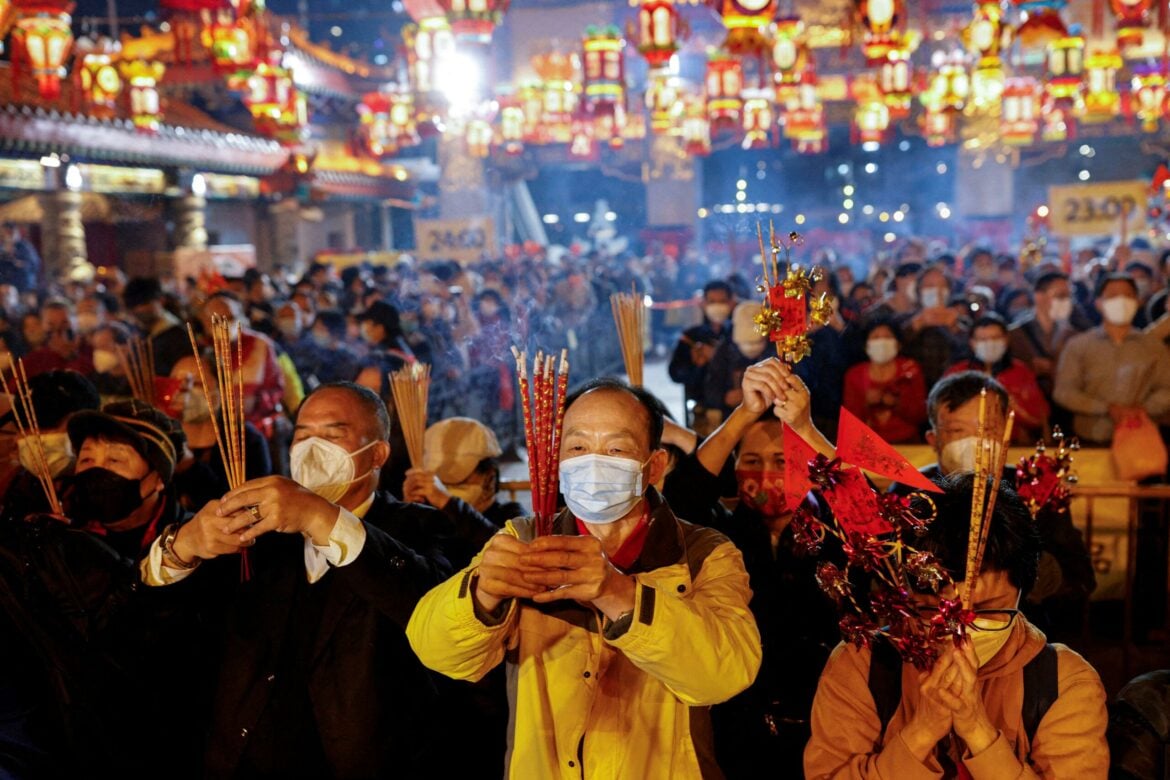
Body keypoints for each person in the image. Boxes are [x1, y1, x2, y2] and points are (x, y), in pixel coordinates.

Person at [406, 377, 762, 779]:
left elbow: (724, 676)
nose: (594, 462)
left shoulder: (702, 553)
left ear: (654, 466)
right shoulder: (524, 540)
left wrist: (618, 592)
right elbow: (437, 653)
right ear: (555, 461)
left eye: (616, 448)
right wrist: (482, 594)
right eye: (577, 447)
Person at [140, 382, 455, 777]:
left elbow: (436, 610)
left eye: (331, 435)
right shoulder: (261, 533)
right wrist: (180, 548)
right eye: (302, 435)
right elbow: (160, 623)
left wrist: (319, 516)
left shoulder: (421, 526)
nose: (311, 448)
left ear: (377, 453)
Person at [805, 473, 1109, 779]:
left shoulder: (1064, 682)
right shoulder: (861, 664)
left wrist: (978, 731)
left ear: (1021, 594)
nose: (958, 630)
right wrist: (921, 732)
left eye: (984, 610)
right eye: (932, 610)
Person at [0, 399, 192, 775]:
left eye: (116, 460)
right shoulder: (53, 542)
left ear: (156, 478)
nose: (97, 471)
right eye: (87, 460)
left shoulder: (191, 549)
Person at [899, 371, 1095, 640]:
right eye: (958, 431)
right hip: (932, 639)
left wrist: (1027, 576)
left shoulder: (1033, 489)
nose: (975, 442)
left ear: (1006, 431)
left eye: (987, 430)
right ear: (933, 439)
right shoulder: (908, 492)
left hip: (1019, 639)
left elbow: (1079, 577)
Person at [1053, 273, 1170, 446]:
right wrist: (1106, 408)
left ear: (1137, 301)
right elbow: (1064, 392)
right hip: (1090, 439)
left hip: (1142, 441)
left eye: (1128, 295)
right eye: (1113, 295)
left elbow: (1166, 388)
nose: (1121, 301)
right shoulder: (1079, 345)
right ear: (1098, 303)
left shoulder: (1153, 346)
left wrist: (1142, 410)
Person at [945, 313, 1050, 444]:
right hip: (967, 443)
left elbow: (1039, 416)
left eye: (995, 338)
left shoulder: (1020, 371)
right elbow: (944, 412)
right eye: (983, 340)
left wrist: (1010, 404)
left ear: (1006, 339)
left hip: (1013, 444)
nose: (989, 344)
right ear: (972, 343)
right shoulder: (958, 373)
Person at [842, 318, 927, 443]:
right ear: (866, 345)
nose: (881, 342)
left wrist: (896, 403)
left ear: (898, 344)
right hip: (867, 444)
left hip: (908, 443)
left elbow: (921, 413)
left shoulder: (910, 370)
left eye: (887, 337)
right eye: (875, 337)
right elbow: (849, 421)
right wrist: (866, 402)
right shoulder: (854, 375)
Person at [1008, 270, 1082, 408]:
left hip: (1067, 408)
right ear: (1039, 297)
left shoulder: (1075, 336)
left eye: (1069, 296)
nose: (1066, 301)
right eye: (1060, 296)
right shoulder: (1015, 335)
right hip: (1030, 407)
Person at [669, 280, 735, 430]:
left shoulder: (739, 335)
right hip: (702, 414)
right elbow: (675, 374)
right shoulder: (691, 337)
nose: (717, 306)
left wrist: (717, 357)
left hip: (735, 412)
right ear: (703, 303)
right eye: (712, 301)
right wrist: (695, 364)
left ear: (731, 303)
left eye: (722, 301)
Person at [121, 276, 192, 377]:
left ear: (161, 300)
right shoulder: (141, 333)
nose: (139, 310)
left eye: (144, 303)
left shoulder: (176, 335)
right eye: (134, 306)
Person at [0, 223, 40, 293]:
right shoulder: (2, 248)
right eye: (5, 233)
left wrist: (17, 261)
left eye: (10, 233)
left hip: (23, 287)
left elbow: (34, 265)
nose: (8, 236)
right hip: (5, 288)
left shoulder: (25, 247)